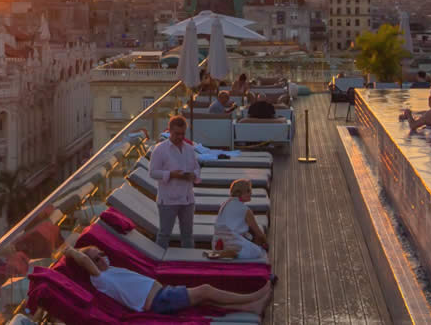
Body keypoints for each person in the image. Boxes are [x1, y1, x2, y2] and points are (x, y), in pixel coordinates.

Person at [63, 246, 273, 315]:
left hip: (163, 294)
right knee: (206, 290)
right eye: (95, 259)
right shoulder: (100, 279)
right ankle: (253, 297)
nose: (100, 259)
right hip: (159, 301)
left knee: (205, 300)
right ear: (89, 265)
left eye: (101, 254)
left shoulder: (110, 269)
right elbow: (82, 259)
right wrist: (69, 250)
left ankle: (251, 307)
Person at [149, 116, 200, 249]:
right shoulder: (160, 150)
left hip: (187, 199)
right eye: (177, 133)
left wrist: (193, 175)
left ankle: (189, 263)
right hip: (168, 200)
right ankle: (158, 263)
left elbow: (196, 167)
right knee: (164, 234)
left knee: (188, 235)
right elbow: (153, 172)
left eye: (183, 133)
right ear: (170, 131)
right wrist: (171, 175)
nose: (180, 137)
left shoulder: (189, 149)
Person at [213, 179, 268, 260]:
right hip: (232, 241)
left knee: (247, 240)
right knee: (259, 252)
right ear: (239, 193)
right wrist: (265, 242)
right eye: (248, 191)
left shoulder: (225, 204)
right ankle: (233, 253)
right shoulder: (245, 210)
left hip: (216, 240)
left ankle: (226, 252)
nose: (251, 193)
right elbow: (258, 233)